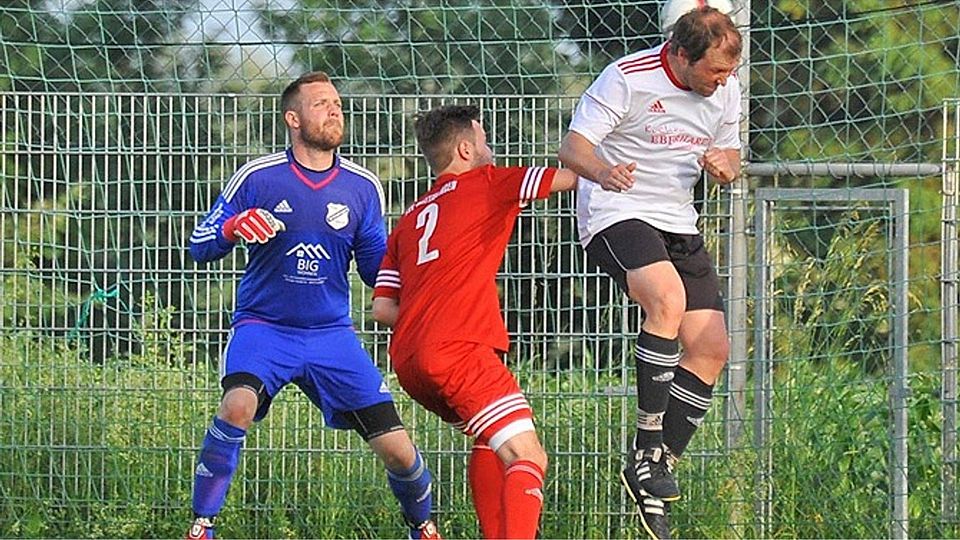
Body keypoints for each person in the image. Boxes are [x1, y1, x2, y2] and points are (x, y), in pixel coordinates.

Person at [185, 71, 438, 540]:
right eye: (321, 103)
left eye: (337, 102)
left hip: (331, 336)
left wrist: (423, 290)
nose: (335, 109)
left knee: (400, 452)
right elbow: (199, 242)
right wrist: (234, 226)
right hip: (264, 329)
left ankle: (423, 526)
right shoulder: (258, 178)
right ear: (293, 119)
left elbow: (374, 269)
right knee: (237, 406)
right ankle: (202, 526)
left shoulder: (362, 187)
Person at [371, 104, 625, 539]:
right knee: (528, 455)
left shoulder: (410, 219)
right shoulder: (487, 182)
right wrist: (610, 171)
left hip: (410, 361)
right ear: (467, 148)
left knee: (492, 440)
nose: (491, 148)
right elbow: (575, 176)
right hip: (458, 350)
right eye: (485, 139)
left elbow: (381, 309)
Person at [557, 7, 742, 540]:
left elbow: (729, 152)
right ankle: (646, 443)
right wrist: (602, 172)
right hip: (618, 210)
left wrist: (729, 166)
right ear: (682, 56)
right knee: (665, 299)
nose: (722, 83)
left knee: (711, 348)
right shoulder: (628, 77)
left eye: (729, 74)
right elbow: (573, 147)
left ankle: (653, 467)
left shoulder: (724, 88)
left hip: (678, 219)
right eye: (714, 73)